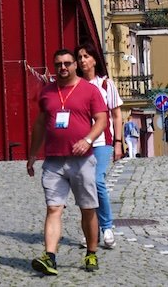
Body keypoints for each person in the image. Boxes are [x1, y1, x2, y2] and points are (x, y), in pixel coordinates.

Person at [27, 50, 108, 275]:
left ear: (75, 65)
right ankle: (50, 257)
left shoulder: (90, 90)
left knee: (88, 209)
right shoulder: (47, 93)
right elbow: (40, 125)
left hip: (82, 160)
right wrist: (33, 154)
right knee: (53, 208)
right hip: (54, 160)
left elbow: (102, 119)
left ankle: (91, 253)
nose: (63, 67)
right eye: (58, 64)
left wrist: (88, 139)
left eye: (67, 63)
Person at [75, 43, 123, 250]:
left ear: (94, 59)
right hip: (80, 142)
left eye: (86, 56)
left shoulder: (105, 85)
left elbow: (116, 114)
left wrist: (119, 143)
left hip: (103, 141)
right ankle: (90, 231)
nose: (83, 60)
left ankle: (107, 226)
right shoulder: (74, 85)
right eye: (79, 57)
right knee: (85, 186)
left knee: (97, 182)